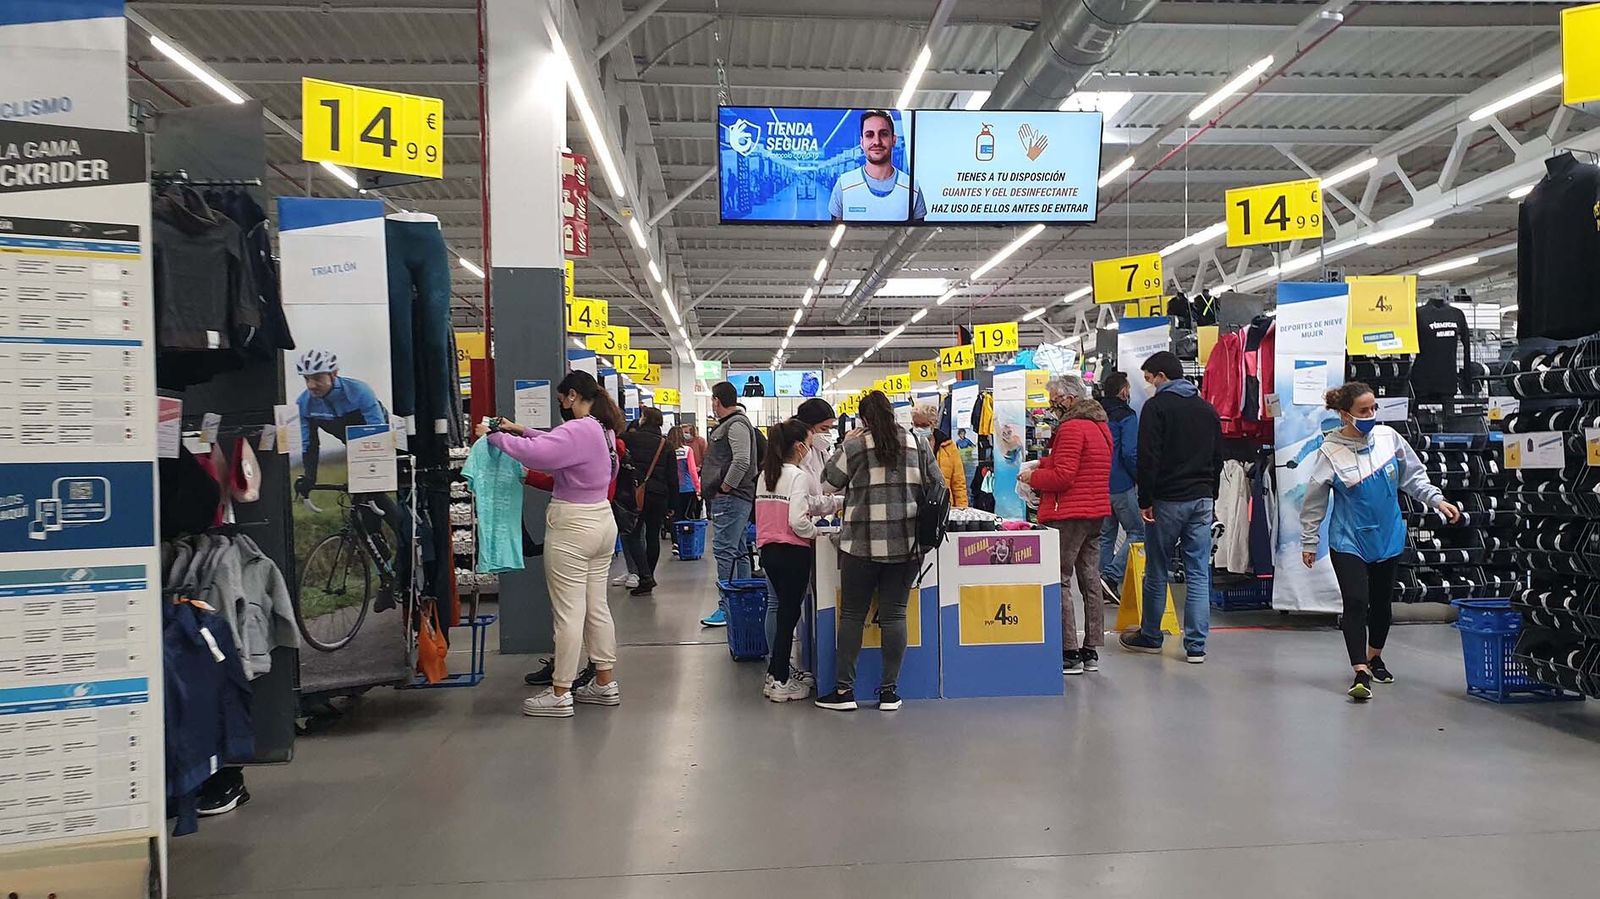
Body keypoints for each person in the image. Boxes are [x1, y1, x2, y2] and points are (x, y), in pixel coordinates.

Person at [477, 370, 625, 718]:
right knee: (596, 606)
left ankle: (560, 692)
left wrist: (495, 437)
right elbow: (556, 445)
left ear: (572, 395)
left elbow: (541, 455)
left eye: (561, 399)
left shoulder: (579, 428)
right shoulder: (603, 431)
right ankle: (604, 682)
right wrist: (521, 429)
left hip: (572, 525)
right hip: (602, 521)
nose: (561, 404)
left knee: (568, 613)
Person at [1301, 383, 1461, 701]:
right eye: (1364, 411)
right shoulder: (1330, 452)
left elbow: (1413, 477)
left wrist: (1437, 500)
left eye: (1374, 408)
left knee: (1381, 605)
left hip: (1388, 537)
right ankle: (1360, 670)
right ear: (1345, 415)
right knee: (1357, 601)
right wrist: (1309, 539)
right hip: (1349, 540)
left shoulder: (1390, 440)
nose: (1372, 415)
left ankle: (1375, 656)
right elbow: (1314, 500)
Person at [816, 391, 946, 712]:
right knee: (895, 615)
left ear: (864, 419)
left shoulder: (856, 445)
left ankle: (845, 692)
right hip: (908, 546)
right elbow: (939, 487)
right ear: (892, 413)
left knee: (852, 617)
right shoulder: (917, 443)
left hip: (860, 545)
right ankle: (889, 692)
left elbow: (827, 482)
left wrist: (846, 441)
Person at [1120, 351, 1222, 663]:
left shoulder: (1157, 407)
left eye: (1150, 379)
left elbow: (1149, 456)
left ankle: (1151, 636)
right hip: (1202, 498)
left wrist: (1145, 500)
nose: (1149, 385)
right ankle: (1196, 646)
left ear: (1162, 375)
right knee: (1197, 572)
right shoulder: (1207, 408)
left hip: (1166, 500)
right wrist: (1211, 492)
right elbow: (1218, 455)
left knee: (1157, 570)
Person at [291, 349, 409, 608]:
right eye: (306, 378)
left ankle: (408, 550)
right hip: (357, 449)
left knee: (387, 507)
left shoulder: (359, 392)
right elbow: (310, 445)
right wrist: (308, 478)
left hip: (387, 442)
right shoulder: (305, 403)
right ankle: (386, 580)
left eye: (317, 377)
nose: (311, 384)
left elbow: (377, 436)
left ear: (334, 374)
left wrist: (372, 478)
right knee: (366, 521)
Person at [1020, 375, 1112, 675]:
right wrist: (1043, 463)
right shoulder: (1100, 426)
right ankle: (1091, 650)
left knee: (1059, 578)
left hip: (1068, 513)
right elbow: (1080, 465)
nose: (1052, 405)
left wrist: (1031, 477)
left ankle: (1068, 650)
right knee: (1090, 579)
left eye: (1055, 399)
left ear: (1069, 399)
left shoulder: (1071, 427)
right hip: (1095, 512)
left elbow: (1064, 478)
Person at [754, 420, 822, 703]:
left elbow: (801, 504)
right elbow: (797, 519)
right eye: (809, 441)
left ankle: (774, 673)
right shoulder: (798, 475)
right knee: (788, 616)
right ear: (799, 446)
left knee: (783, 612)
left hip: (769, 552)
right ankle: (781, 681)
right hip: (793, 551)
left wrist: (833, 502)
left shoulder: (766, 474)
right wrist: (815, 532)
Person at [698, 381, 760, 627]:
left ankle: (726, 607)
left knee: (725, 550)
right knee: (739, 550)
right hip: (735, 497)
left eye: (713, 400)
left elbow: (742, 460)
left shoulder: (735, 425)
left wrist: (725, 486)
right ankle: (742, 601)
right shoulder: (735, 424)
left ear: (717, 400)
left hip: (732, 497)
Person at [828, 109, 926, 223]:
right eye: (869, 135)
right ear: (862, 142)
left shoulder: (912, 188)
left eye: (883, 134)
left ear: (894, 140)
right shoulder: (843, 185)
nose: (877, 141)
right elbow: (833, 232)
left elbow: (918, 237)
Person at [1097, 372, 1144, 603]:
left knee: (1107, 535)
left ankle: (1102, 586)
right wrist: (1140, 477)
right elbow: (1129, 452)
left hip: (1100, 483)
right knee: (1138, 532)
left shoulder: (1097, 414)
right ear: (1123, 390)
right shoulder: (1127, 416)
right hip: (1122, 483)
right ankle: (1112, 575)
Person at [619, 407, 675, 596]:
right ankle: (648, 575)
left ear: (644, 420)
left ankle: (644, 575)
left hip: (635, 494)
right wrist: (673, 506)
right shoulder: (665, 445)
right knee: (653, 536)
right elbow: (672, 477)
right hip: (659, 496)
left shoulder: (629, 439)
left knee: (632, 534)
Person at [912, 401, 969, 509]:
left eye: (924, 425)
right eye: (916, 424)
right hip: (914, 508)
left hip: (944, 505)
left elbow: (958, 481)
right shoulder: (906, 444)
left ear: (934, 423)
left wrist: (962, 508)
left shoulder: (948, 446)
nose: (919, 429)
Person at [671, 424, 702, 523]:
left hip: (672, 488)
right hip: (687, 487)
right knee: (687, 516)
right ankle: (686, 537)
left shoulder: (666, 450)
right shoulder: (687, 450)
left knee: (674, 516)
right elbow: (692, 470)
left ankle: (675, 537)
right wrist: (697, 487)